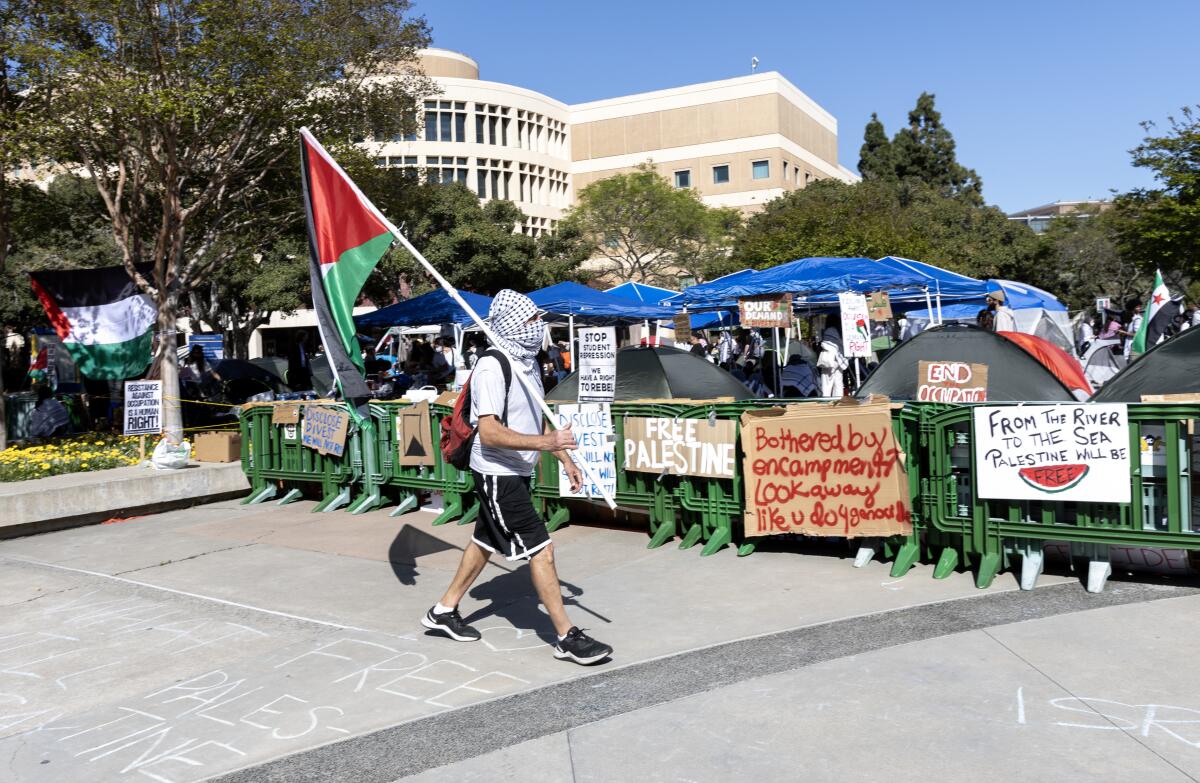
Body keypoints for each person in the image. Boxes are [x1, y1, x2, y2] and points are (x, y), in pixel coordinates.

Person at [422, 290, 613, 666]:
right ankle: (565, 636)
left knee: (484, 540)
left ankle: (443, 611)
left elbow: (535, 417)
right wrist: (548, 442)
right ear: (511, 324)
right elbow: (490, 432)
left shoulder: (526, 361)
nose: (537, 326)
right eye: (529, 320)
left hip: (518, 469)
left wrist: (563, 457)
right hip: (497, 472)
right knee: (541, 549)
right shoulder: (493, 367)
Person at [816, 327, 848, 397]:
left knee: (826, 383)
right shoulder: (841, 329)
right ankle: (838, 401)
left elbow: (823, 343)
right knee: (838, 382)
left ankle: (826, 401)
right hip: (840, 357)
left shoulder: (827, 331)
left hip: (828, 357)